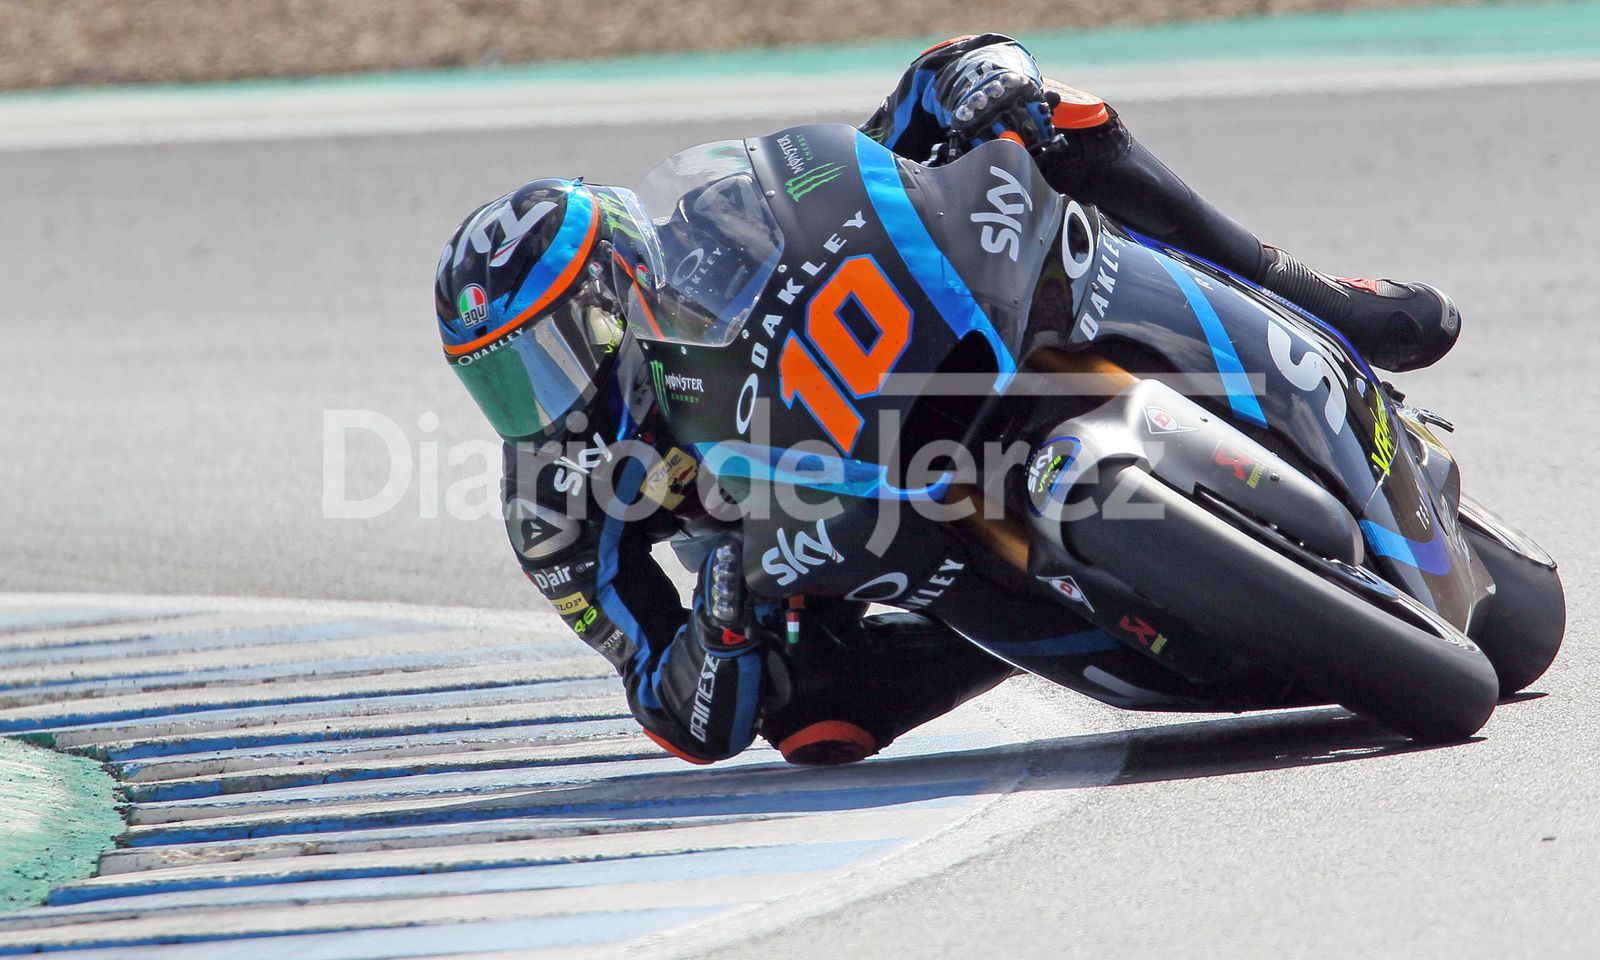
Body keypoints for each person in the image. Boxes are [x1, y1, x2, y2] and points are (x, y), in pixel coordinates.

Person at [432, 34, 1462, 768]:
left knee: (1058, 123)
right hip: (827, 536)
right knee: (808, 720)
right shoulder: (555, 511)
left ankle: (1307, 293)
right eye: (501, 379)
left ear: (618, 286)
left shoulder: (712, 221)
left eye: (548, 354)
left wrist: (975, 80)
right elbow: (676, 713)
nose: (541, 399)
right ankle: (1044, 621)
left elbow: (898, 120)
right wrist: (724, 611)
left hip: (919, 367)